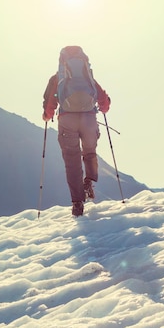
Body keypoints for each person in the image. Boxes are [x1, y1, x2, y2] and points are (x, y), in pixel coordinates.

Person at [42, 45, 111, 217]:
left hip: (67, 121)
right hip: (88, 120)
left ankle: (77, 203)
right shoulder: (89, 77)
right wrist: (103, 107)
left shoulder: (57, 77)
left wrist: (47, 115)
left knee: (72, 161)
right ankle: (89, 181)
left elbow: (50, 102)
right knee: (90, 152)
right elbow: (104, 102)